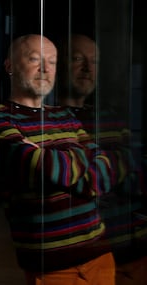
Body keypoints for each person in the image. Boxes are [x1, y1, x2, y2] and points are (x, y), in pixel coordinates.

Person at [0, 34, 117, 284]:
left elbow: (105, 174)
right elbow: (41, 168)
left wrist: (55, 162)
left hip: (99, 253)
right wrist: (81, 158)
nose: (45, 68)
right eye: (34, 59)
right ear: (10, 66)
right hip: (51, 264)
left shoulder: (64, 115)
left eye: (52, 61)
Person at [56, 33, 147, 285]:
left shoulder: (112, 119)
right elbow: (69, 185)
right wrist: (117, 164)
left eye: (94, 61)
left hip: (133, 249)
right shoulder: (47, 122)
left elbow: (136, 179)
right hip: (80, 255)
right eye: (77, 59)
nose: (87, 68)